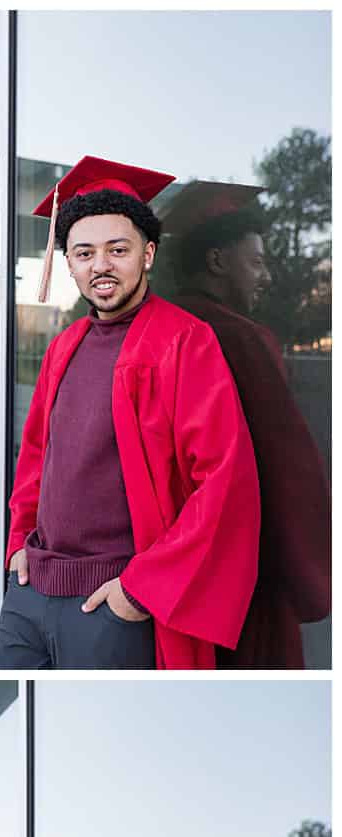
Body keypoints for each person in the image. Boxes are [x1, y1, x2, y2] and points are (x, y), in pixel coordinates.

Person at [0, 156, 260, 670]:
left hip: (109, 602)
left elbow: (224, 481)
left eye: (118, 249)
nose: (101, 265)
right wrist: (16, 547)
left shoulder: (184, 342)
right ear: (68, 262)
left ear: (148, 254)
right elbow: (35, 458)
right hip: (29, 594)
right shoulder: (64, 346)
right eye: (84, 252)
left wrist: (138, 591)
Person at [158, 181, 330, 669]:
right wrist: (308, 572)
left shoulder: (159, 331)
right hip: (242, 584)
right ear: (217, 262)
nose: (267, 276)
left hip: (171, 573)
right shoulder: (241, 340)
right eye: (256, 262)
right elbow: (287, 472)